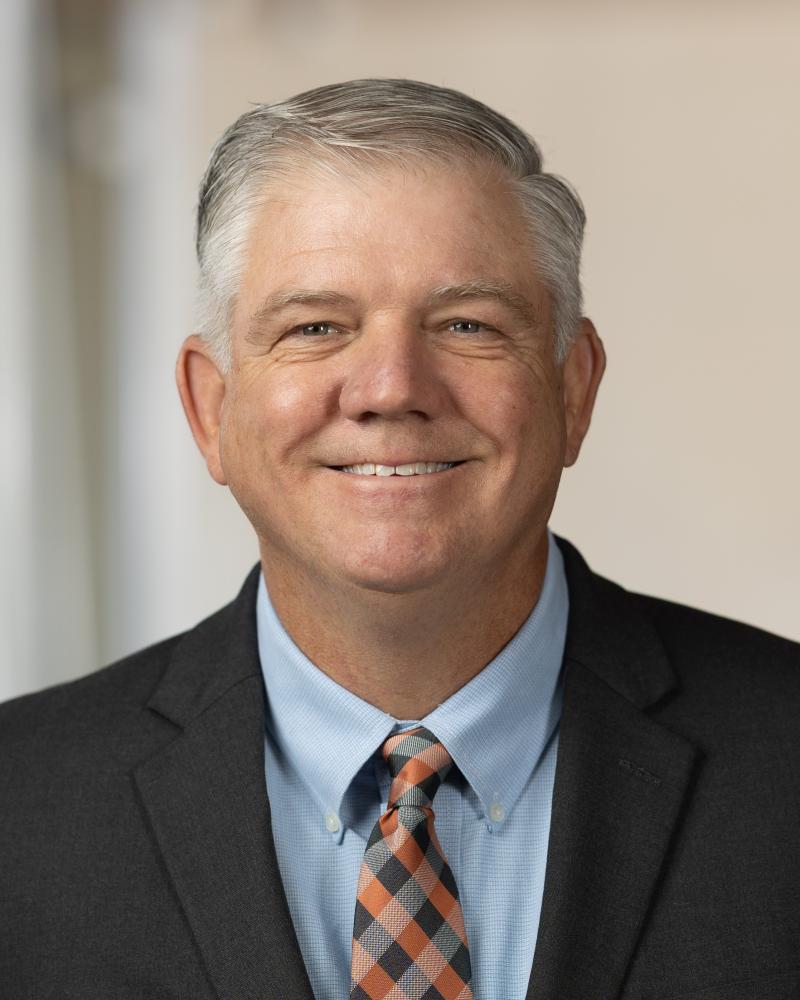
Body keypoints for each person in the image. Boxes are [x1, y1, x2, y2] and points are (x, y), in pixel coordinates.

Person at [1, 79, 798, 1000]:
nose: (389, 386)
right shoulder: (17, 808)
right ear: (210, 407)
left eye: (466, 324)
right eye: (315, 328)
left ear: (572, 390)